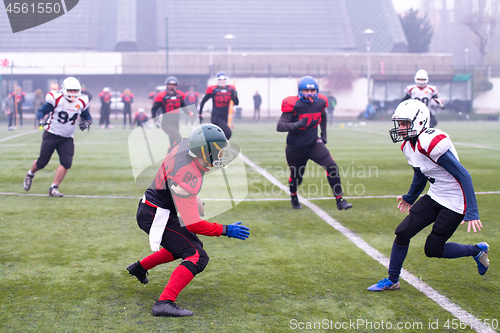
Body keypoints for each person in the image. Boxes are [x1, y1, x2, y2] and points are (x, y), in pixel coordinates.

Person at [126, 123, 250, 317]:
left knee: (187, 245)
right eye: (217, 150)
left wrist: (193, 198)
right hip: (155, 214)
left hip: (157, 207)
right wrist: (225, 229)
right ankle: (164, 302)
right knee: (198, 256)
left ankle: (139, 268)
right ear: (203, 151)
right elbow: (192, 222)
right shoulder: (187, 173)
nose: (221, 155)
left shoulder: (186, 147)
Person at [367, 99, 489, 292]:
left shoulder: (430, 142)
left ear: (420, 122)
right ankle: (393, 280)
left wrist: (472, 211)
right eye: (399, 124)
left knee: (433, 249)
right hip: (435, 194)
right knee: (402, 232)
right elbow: (420, 173)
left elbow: (464, 175)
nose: (400, 128)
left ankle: (477, 250)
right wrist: (410, 196)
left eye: (405, 124)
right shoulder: (409, 145)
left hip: (455, 201)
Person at [277, 76, 352, 211]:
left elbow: (323, 116)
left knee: (332, 167)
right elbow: (280, 126)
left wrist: (323, 134)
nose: (310, 94)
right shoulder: (293, 104)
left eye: (312, 91)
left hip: (313, 143)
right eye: (306, 91)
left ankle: (340, 200)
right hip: (295, 148)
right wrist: (297, 124)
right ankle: (294, 195)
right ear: (300, 91)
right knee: (296, 178)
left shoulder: (320, 102)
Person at [23, 77, 92, 197]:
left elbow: (87, 116)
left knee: (66, 162)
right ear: (64, 89)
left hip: (67, 137)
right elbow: (41, 111)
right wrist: (41, 119)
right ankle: (30, 174)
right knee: (42, 162)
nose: (73, 94)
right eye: (70, 90)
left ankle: (54, 188)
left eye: (75, 91)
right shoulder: (57, 99)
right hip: (52, 134)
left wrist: (87, 122)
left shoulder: (82, 101)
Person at [151, 76, 192, 151]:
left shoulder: (180, 95)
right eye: (170, 85)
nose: (172, 87)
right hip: (166, 123)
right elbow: (154, 109)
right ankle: (169, 157)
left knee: (173, 143)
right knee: (178, 139)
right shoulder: (162, 96)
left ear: (176, 86)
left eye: (174, 85)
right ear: (167, 85)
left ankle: (170, 159)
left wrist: (188, 112)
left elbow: (183, 106)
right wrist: (155, 120)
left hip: (176, 122)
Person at [198, 71, 238, 140]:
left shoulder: (230, 90)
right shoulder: (213, 90)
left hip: (225, 117)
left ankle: (215, 148)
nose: (222, 81)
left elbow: (236, 103)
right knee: (228, 133)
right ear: (217, 80)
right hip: (216, 117)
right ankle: (219, 147)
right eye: (220, 80)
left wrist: (235, 95)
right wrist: (200, 114)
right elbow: (203, 101)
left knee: (220, 135)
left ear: (226, 80)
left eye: (223, 79)